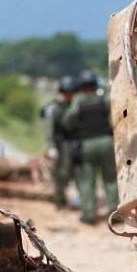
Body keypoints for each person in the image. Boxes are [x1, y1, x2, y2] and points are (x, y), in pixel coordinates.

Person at [62, 69, 118, 224]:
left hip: (87, 144)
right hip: (106, 142)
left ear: (81, 86)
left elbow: (68, 121)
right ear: (94, 84)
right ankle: (116, 213)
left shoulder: (78, 101)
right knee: (111, 179)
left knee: (87, 180)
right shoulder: (104, 99)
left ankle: (89, 214)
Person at [42, 76, 77, 209]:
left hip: (69, 143)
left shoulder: (70, 105)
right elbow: (49, 128)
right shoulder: (54, 107)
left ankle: (63, 198)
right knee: (60, 173)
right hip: (59, 143)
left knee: (67, 172)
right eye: (67, 92)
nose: (70, 95)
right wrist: (51, 146)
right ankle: (59, 200)